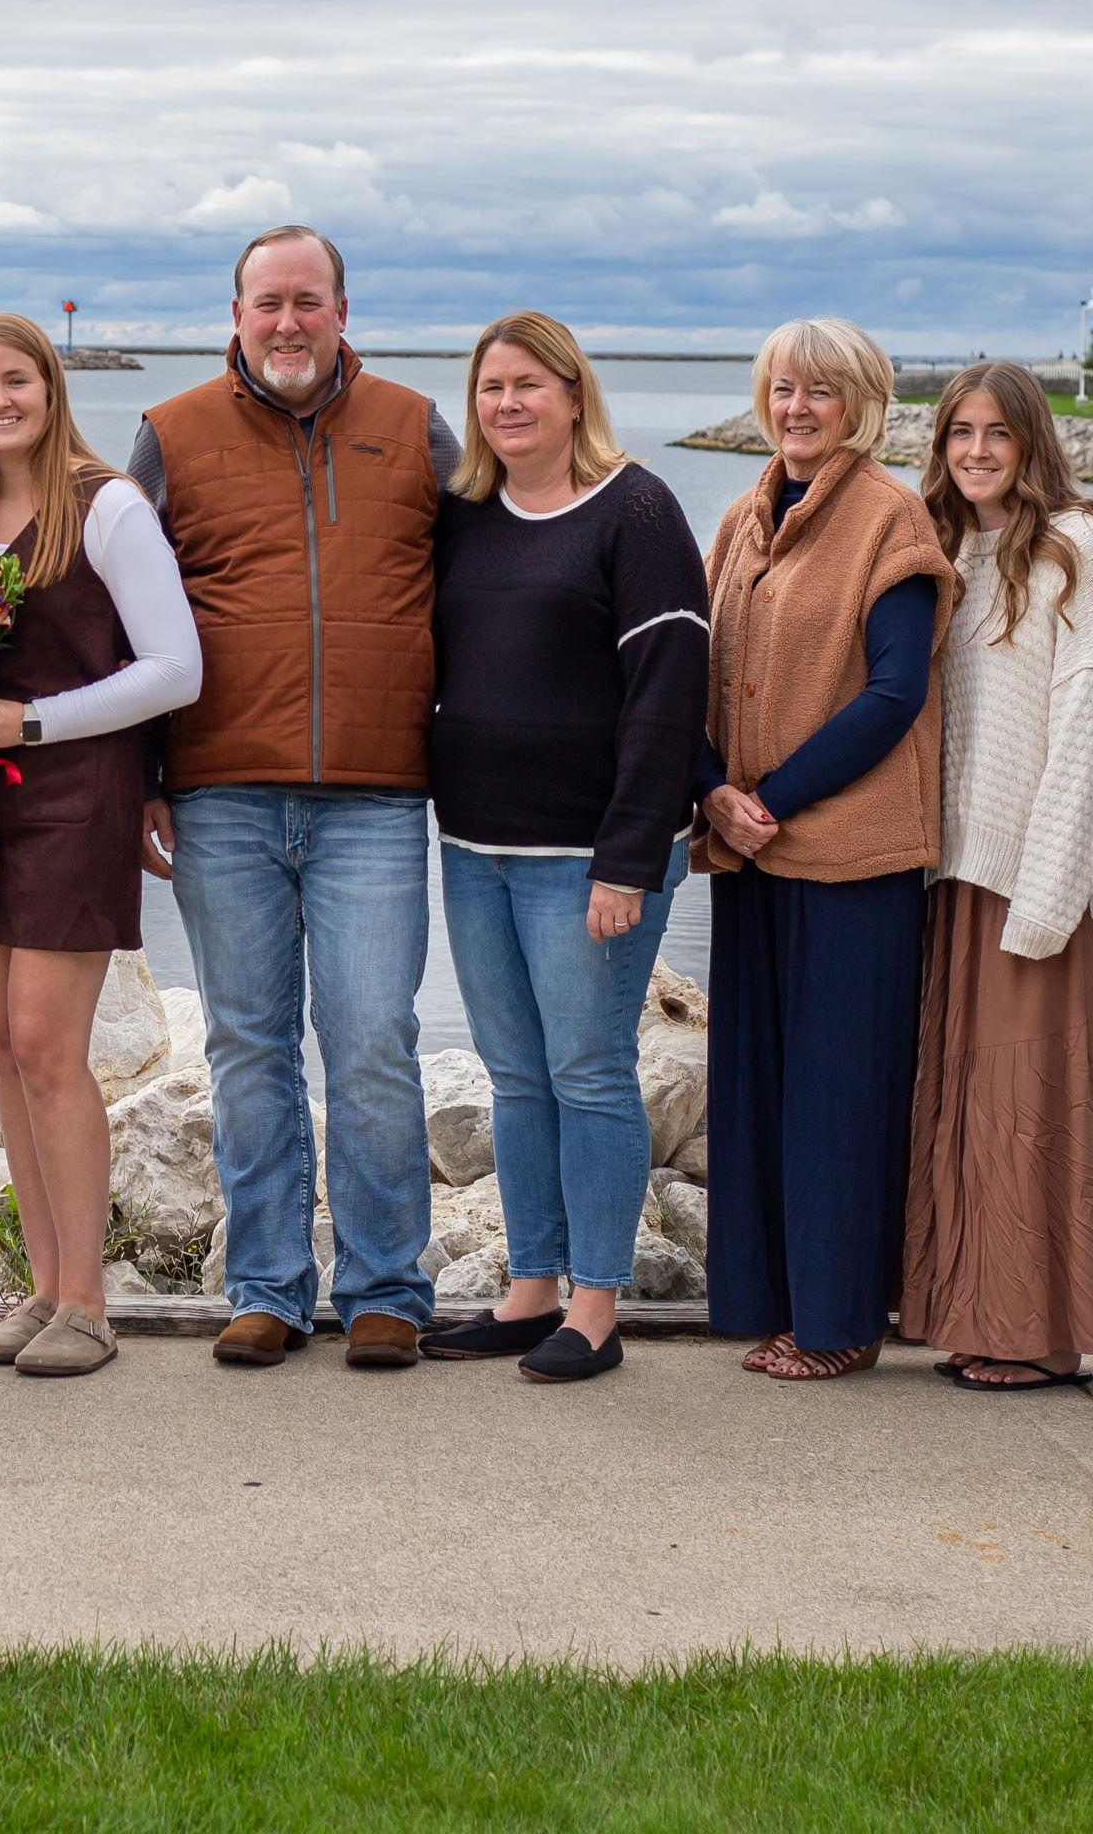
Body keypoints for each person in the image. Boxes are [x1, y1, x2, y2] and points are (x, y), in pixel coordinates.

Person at [129, 225, 461, 1369]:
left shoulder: (416, 429)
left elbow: (490, 580)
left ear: (340, 310)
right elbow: (124, 610)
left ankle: (384, 1288)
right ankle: (266, 1283)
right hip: (218, 791)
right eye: (265, 302)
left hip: (375, 797)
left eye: (306, 301)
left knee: (370, 1039)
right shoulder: (169, 433)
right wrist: (140, 776)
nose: (286, 322)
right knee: (246, 1043)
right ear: (234, 314)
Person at [417, 315, 707, 1383]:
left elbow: (669, 692)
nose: (506, 404)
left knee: (587, 1073)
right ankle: (529, 1287)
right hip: (474, 845)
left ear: (574, 394)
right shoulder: (466, 517)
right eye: (490, 387)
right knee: (514, 1075)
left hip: (589, 854)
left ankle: (594, 1305)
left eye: (528, 384)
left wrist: (628, 856)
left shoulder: (635, 510)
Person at [0, 315, 200, 1378]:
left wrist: (25, 722)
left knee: (48, 1049)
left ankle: (89, 1303)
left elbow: (175, 668)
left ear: (50, 387)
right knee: (4, 1052)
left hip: (78, 800)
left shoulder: (108, 505)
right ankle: (41, 1290)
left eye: (17, 380)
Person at [696, 319, 954, 1382]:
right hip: (748, 850)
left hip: (850, 855)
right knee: (754, 1085)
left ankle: (841, 1319)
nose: (795, 408)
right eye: (781, 388)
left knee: (838, 1092)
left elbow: (894, 691)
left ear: (861, 404)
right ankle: (765, 1300)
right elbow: (692, 667)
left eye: (819, 391)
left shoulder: (891, 517)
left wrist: (768, 796)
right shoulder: (742, 516)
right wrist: (711, 791)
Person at [900, 363, 1093, 1390]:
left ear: (1033, 440)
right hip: (953, 874)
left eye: (998, 432)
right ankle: (977, 1312)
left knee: (1034, 1110)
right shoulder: (948, 548)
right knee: (968, 1107)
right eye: (960, 432)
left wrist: (1050, 894)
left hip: (1034, 880)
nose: (978, 451)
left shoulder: (1076, 549)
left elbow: (1090, 728)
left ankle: (1045, 1331)